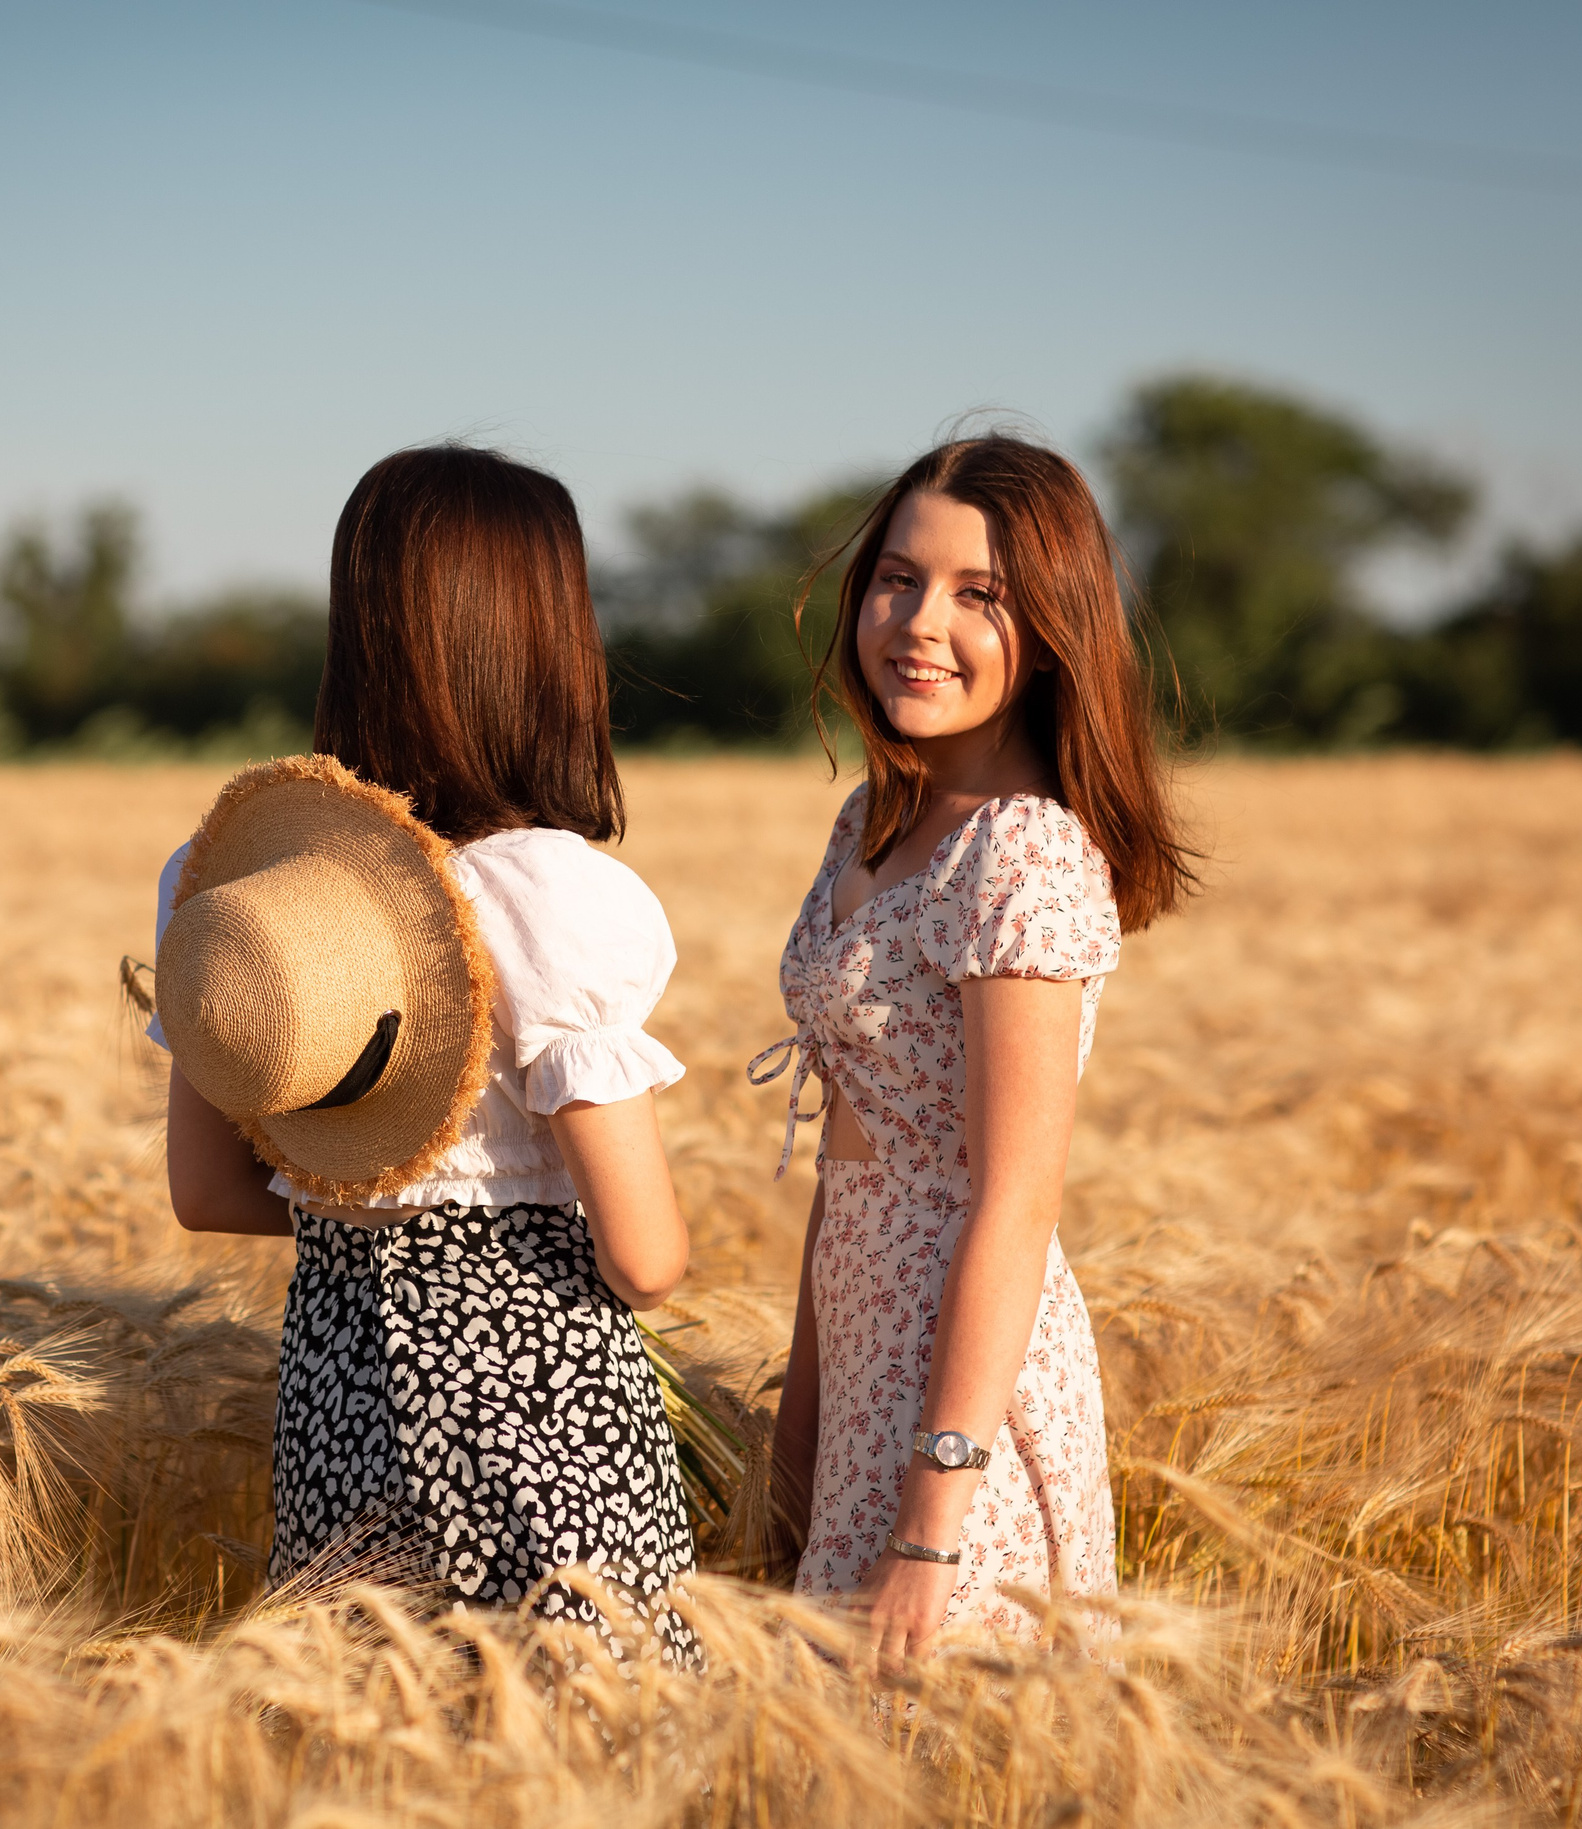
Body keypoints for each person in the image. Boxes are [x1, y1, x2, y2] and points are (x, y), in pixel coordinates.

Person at [149, 444, 697, 1659]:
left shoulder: (242, 895)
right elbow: (646, 1258)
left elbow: (206, 1191)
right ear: (549, 643)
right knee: (587, 1740)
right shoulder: (545, 896)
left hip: (339, 1407)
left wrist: (381, 1223)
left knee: (379, 1736)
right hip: (546, 1432)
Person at [756, 433, 1195, 1668]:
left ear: (1050, 630)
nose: (918, 623)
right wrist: (800, 1431)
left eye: (977, 595)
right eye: (897, 579)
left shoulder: (1023, 853)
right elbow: (856, 1162)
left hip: (963, 1398)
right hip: (863, 1364)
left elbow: (1014, 1196)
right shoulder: (873, 820)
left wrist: (935, 1516)